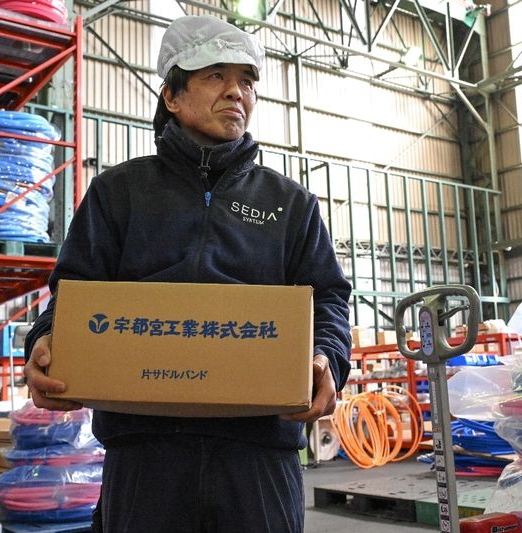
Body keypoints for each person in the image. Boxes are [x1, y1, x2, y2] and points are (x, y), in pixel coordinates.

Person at [23, 14, 352, 533]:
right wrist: (45, 340)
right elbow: (73, 292)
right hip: (145, 453)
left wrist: (326, 356)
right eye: (216, 75)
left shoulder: (290, 205)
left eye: (247, 80)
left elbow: (329, 297)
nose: (236, 92)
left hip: (258, 454)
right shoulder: (119, 194)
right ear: (172, 96)